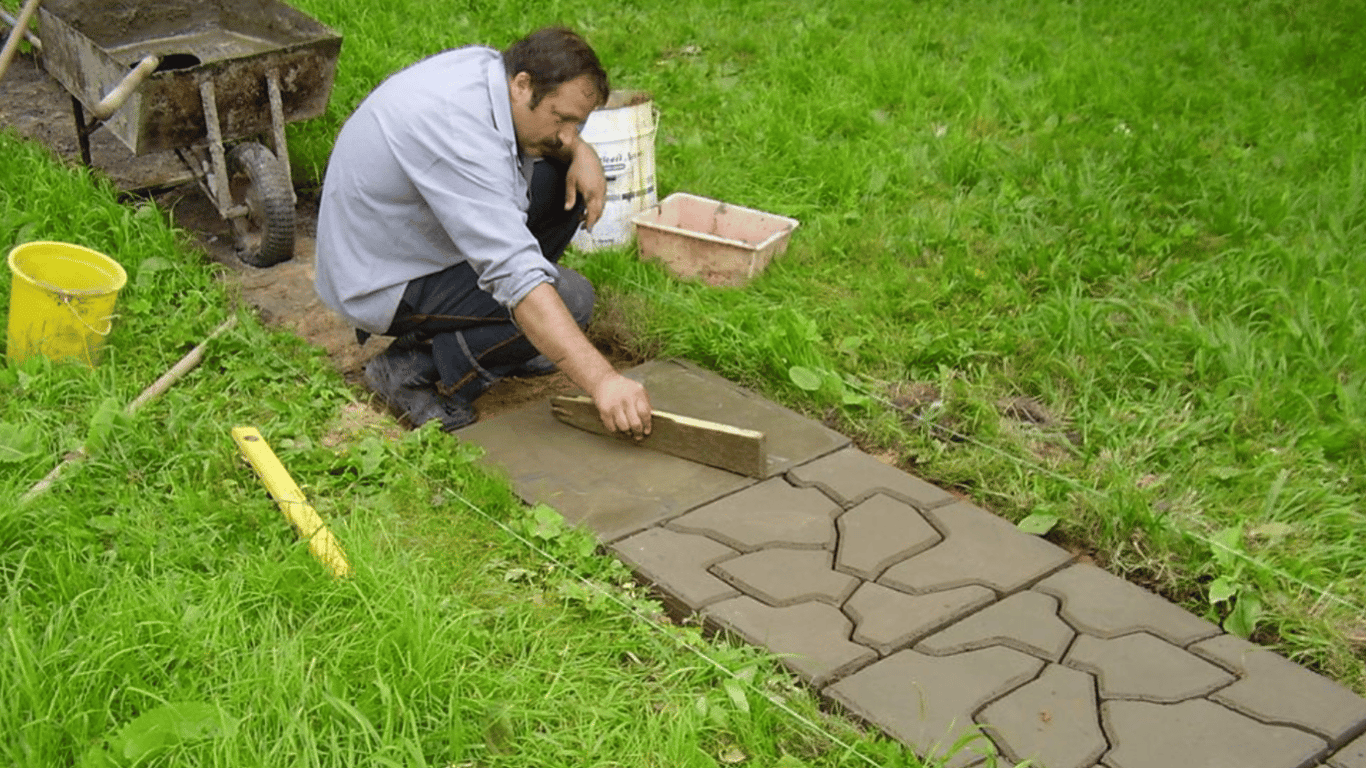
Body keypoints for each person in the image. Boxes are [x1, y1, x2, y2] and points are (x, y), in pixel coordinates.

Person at [314, 27, 651, 438]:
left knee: (562, 175)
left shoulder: (493, 74)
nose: (567, 134)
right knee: (571, 300)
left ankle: (498, 338)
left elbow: (554, 149)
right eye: (561, 119)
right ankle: (406, 370)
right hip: (380, 276)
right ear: (522, 85)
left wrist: (582, 153)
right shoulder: (456, 130)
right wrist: (603, 381)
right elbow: (515, 274)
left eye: (576, 124)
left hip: (411, 237)